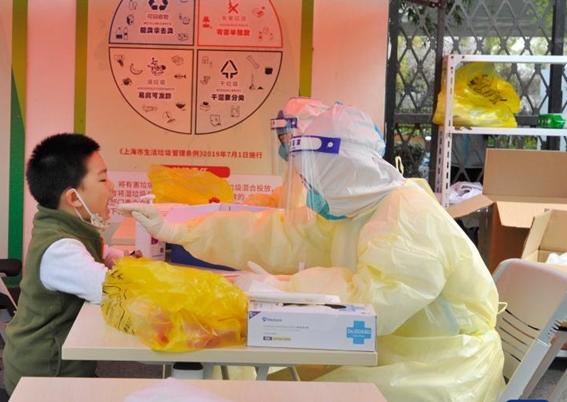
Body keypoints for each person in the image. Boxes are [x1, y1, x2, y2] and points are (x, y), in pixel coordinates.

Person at [121, 103, 505, 401]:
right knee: (253, 380)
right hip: (389, 353)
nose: (309, 192)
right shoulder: (357, 208)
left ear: (344, 174)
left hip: (437, 368)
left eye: (314, 181)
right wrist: (181, 229)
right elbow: (284, 234)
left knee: (273, 389)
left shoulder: (408, 218)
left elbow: (371, 307)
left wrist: (279, 289)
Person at [3, 133, 138, 394]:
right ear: (74, 198)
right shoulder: (59, 249)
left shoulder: (69, 229)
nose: (113, 187)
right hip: (45, 379)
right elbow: (111, 289)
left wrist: (135, 262)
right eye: (102, 179)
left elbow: (107, 255)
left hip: (57, 369)